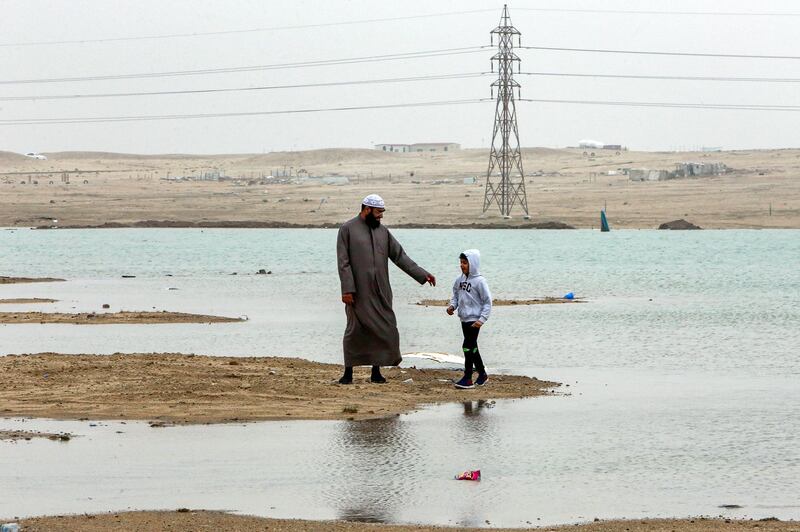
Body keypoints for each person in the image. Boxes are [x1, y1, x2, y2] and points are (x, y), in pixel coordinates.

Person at [336, 194, 436, 384]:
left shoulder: (383, 232)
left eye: (382, 212)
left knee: (386, 329)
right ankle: (348, 373)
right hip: (358, 293)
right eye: (379, 212)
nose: (381, 216)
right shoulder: (347, 229)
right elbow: (343, 263)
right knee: (355, 331)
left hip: (381, 291)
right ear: (367, 209)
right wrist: (347, 290)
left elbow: (400, 257)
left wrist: (422, 274)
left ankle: (376, 371)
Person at [446, 249, 492, 389]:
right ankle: (483, 375)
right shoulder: (459, 280)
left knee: (466, 346)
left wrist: (482, 319)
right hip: (464, 319)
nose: (462, 265)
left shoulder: (480, 281)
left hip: (475, 320)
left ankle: (467, 378)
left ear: (473, 263)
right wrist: (452, 306)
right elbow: (455, 295)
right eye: (461, 262)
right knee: (473, 348)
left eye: (465, 263)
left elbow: (487, 302)